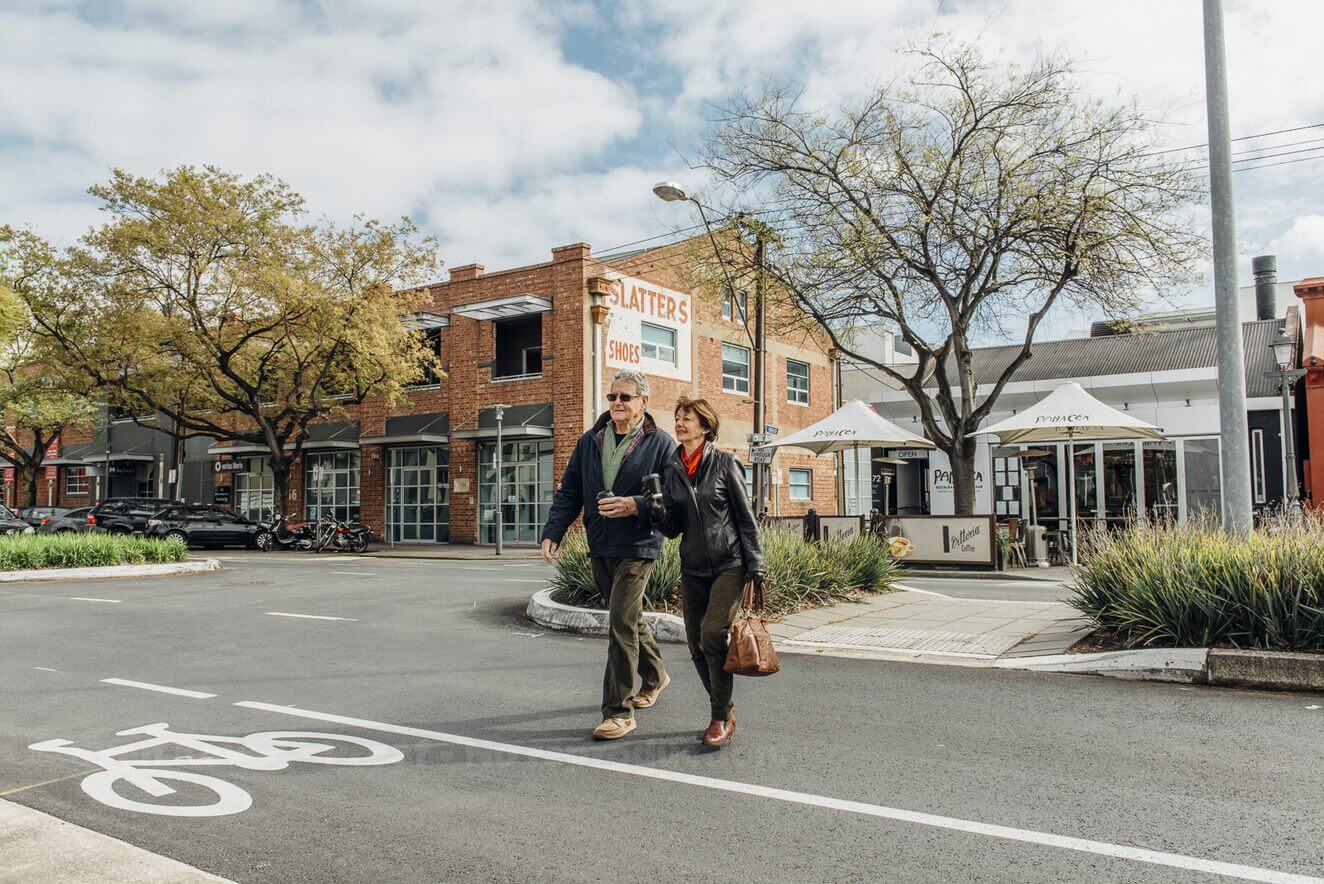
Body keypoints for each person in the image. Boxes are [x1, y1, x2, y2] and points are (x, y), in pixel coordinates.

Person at [540, 370, 675, 741]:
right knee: (628, 618)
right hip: (600, 543)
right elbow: (570, 491)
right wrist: (553, 532)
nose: (617, 402)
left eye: (625, 397)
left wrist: (635, 505)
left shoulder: (662, 444)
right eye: (613, 396)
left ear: (643, 402)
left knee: (620, 625)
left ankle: (618, 712)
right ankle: (656, 675)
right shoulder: (590, 440)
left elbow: (672, 497)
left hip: (639, 544)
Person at [652, 397, 765, 748]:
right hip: (693, 566)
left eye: (688, 418)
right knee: (696, 643)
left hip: (730, 563)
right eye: (678, 417)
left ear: (705, 426)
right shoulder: (672, 468)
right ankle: (725, 709)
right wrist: (657, 511)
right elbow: (673, 528)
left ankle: (719, 717)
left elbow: (745, 517)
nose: (680, 423)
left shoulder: (726, 463)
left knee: (713, 635)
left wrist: (756, 563)